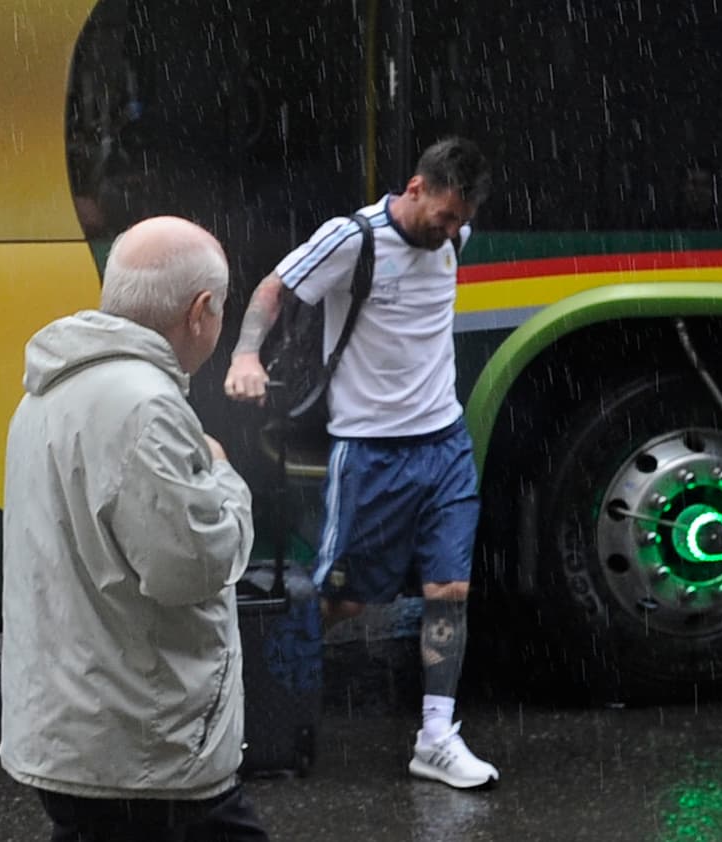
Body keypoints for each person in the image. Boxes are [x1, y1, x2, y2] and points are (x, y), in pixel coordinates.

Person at [223, 136, 498, 790]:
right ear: (415, 188)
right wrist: (244, 355)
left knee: (448, 591)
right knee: (341, 603)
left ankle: (436, 736)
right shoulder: (354, 239)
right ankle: (248, 703)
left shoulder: (451, 238)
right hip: (372, 450)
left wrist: (453, 229)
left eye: (462, 221)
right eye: (445, 216)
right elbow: (275, 288)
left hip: (445, 443)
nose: (453, 230)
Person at [0, 217, 268, 840]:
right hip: (147, 751)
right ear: (200, 311)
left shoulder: (46, 389)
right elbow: (190, 568)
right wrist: (225, 478)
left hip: (75, 735)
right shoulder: (145, 404)